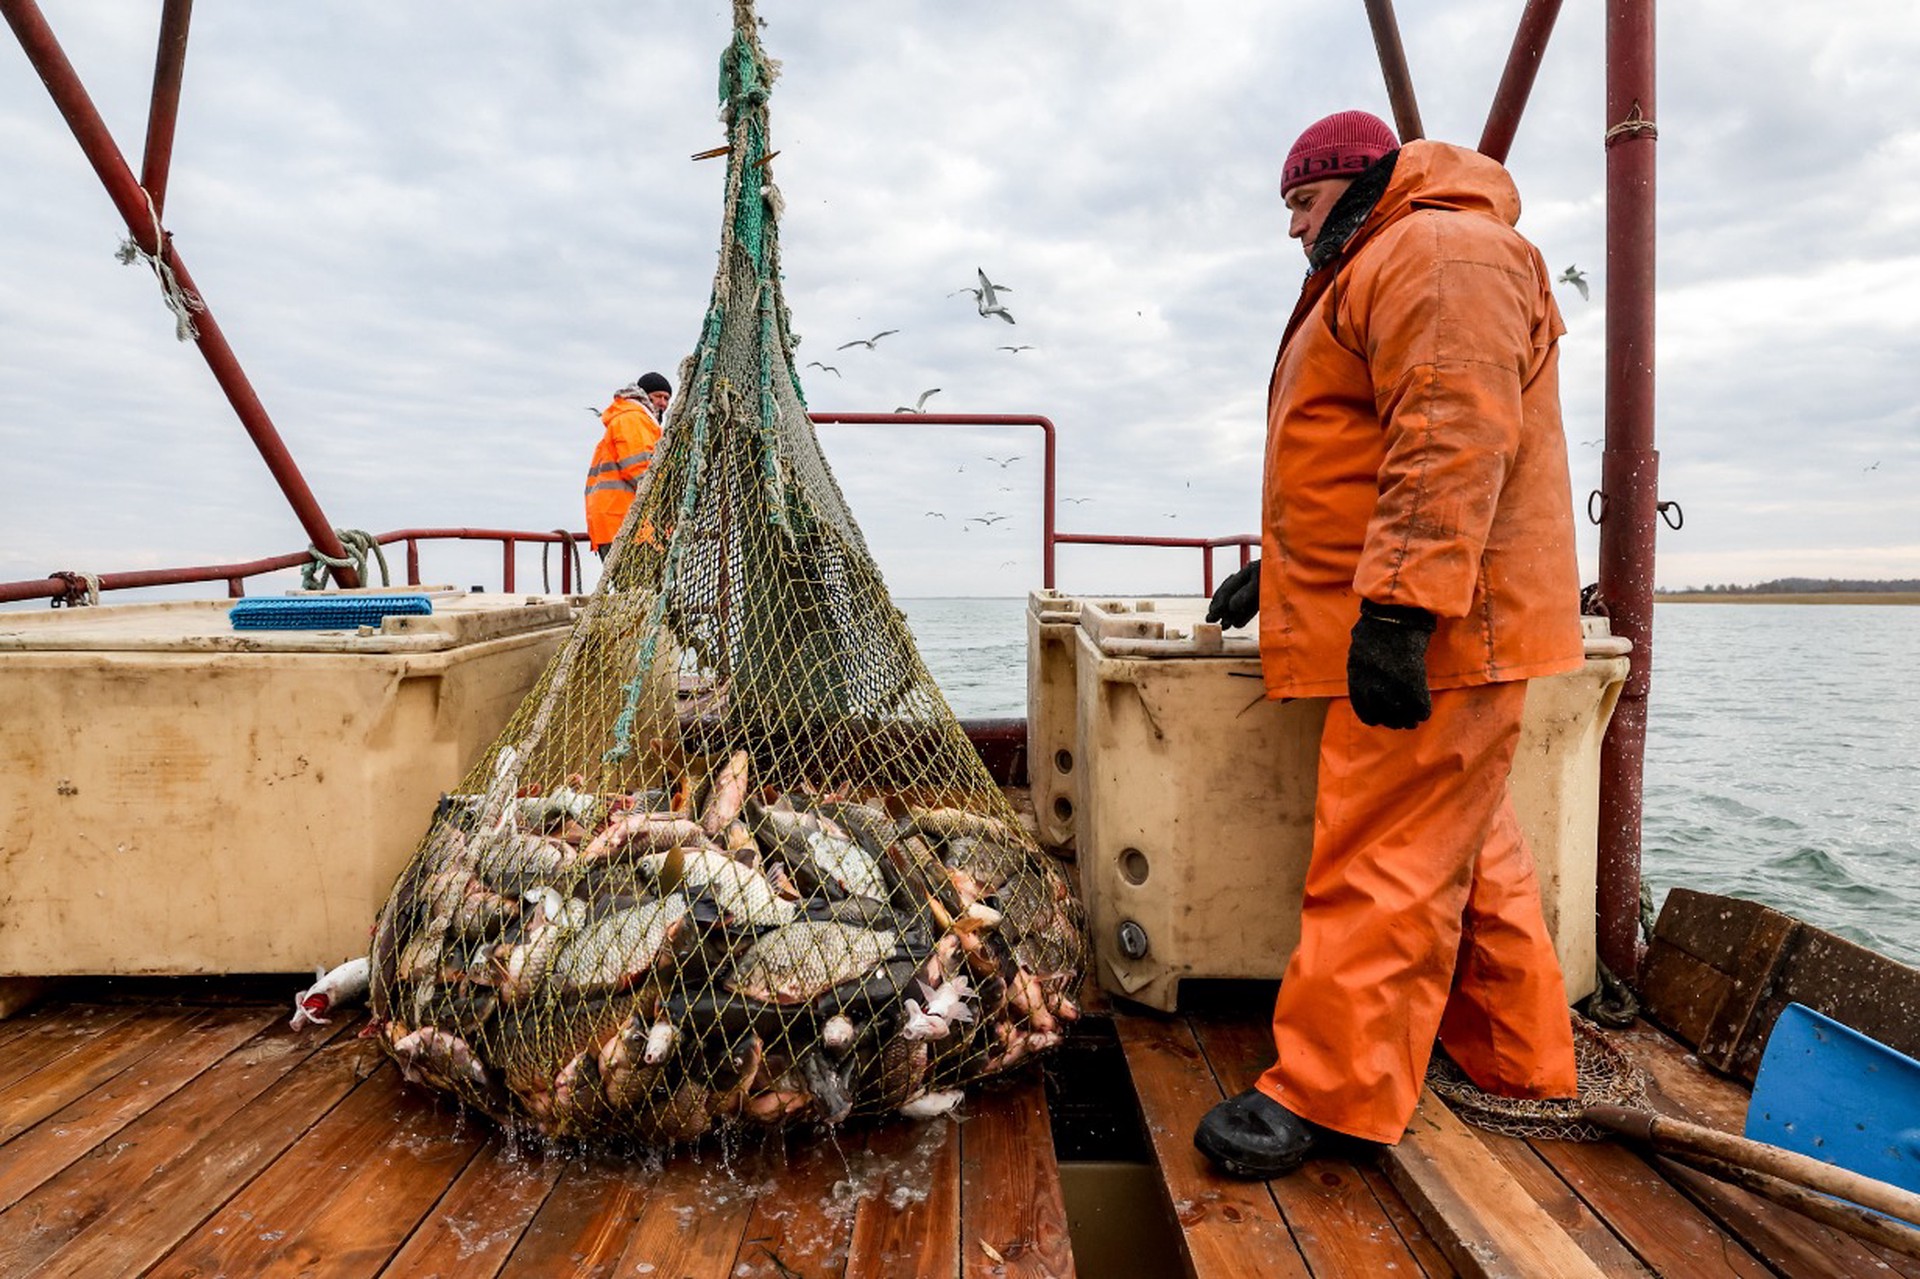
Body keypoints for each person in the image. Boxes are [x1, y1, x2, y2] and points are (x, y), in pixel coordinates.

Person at [1194, 109, 1585, 1178]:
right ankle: (1520, 1059)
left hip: (1443, 628)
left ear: (1360, 183)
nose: (1293, 231)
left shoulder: (1438, 248)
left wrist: (1403, 611)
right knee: (1465, 847)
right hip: (1447, 625)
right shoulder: (1394, 254)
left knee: (1382, 855)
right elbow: (1371, 453)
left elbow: (1449, 434)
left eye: (1302, 205)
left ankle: (1331, 1095)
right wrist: (1287, 572)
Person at [584, 371, 671, 558]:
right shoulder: (634, 418)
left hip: (619, 521)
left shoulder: (634, 418)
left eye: (667, 398)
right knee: (641, 587)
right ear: (645, 396)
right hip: (625, 524)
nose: (663, 403)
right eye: (658, 396)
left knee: (635, 587)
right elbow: (640, 470)